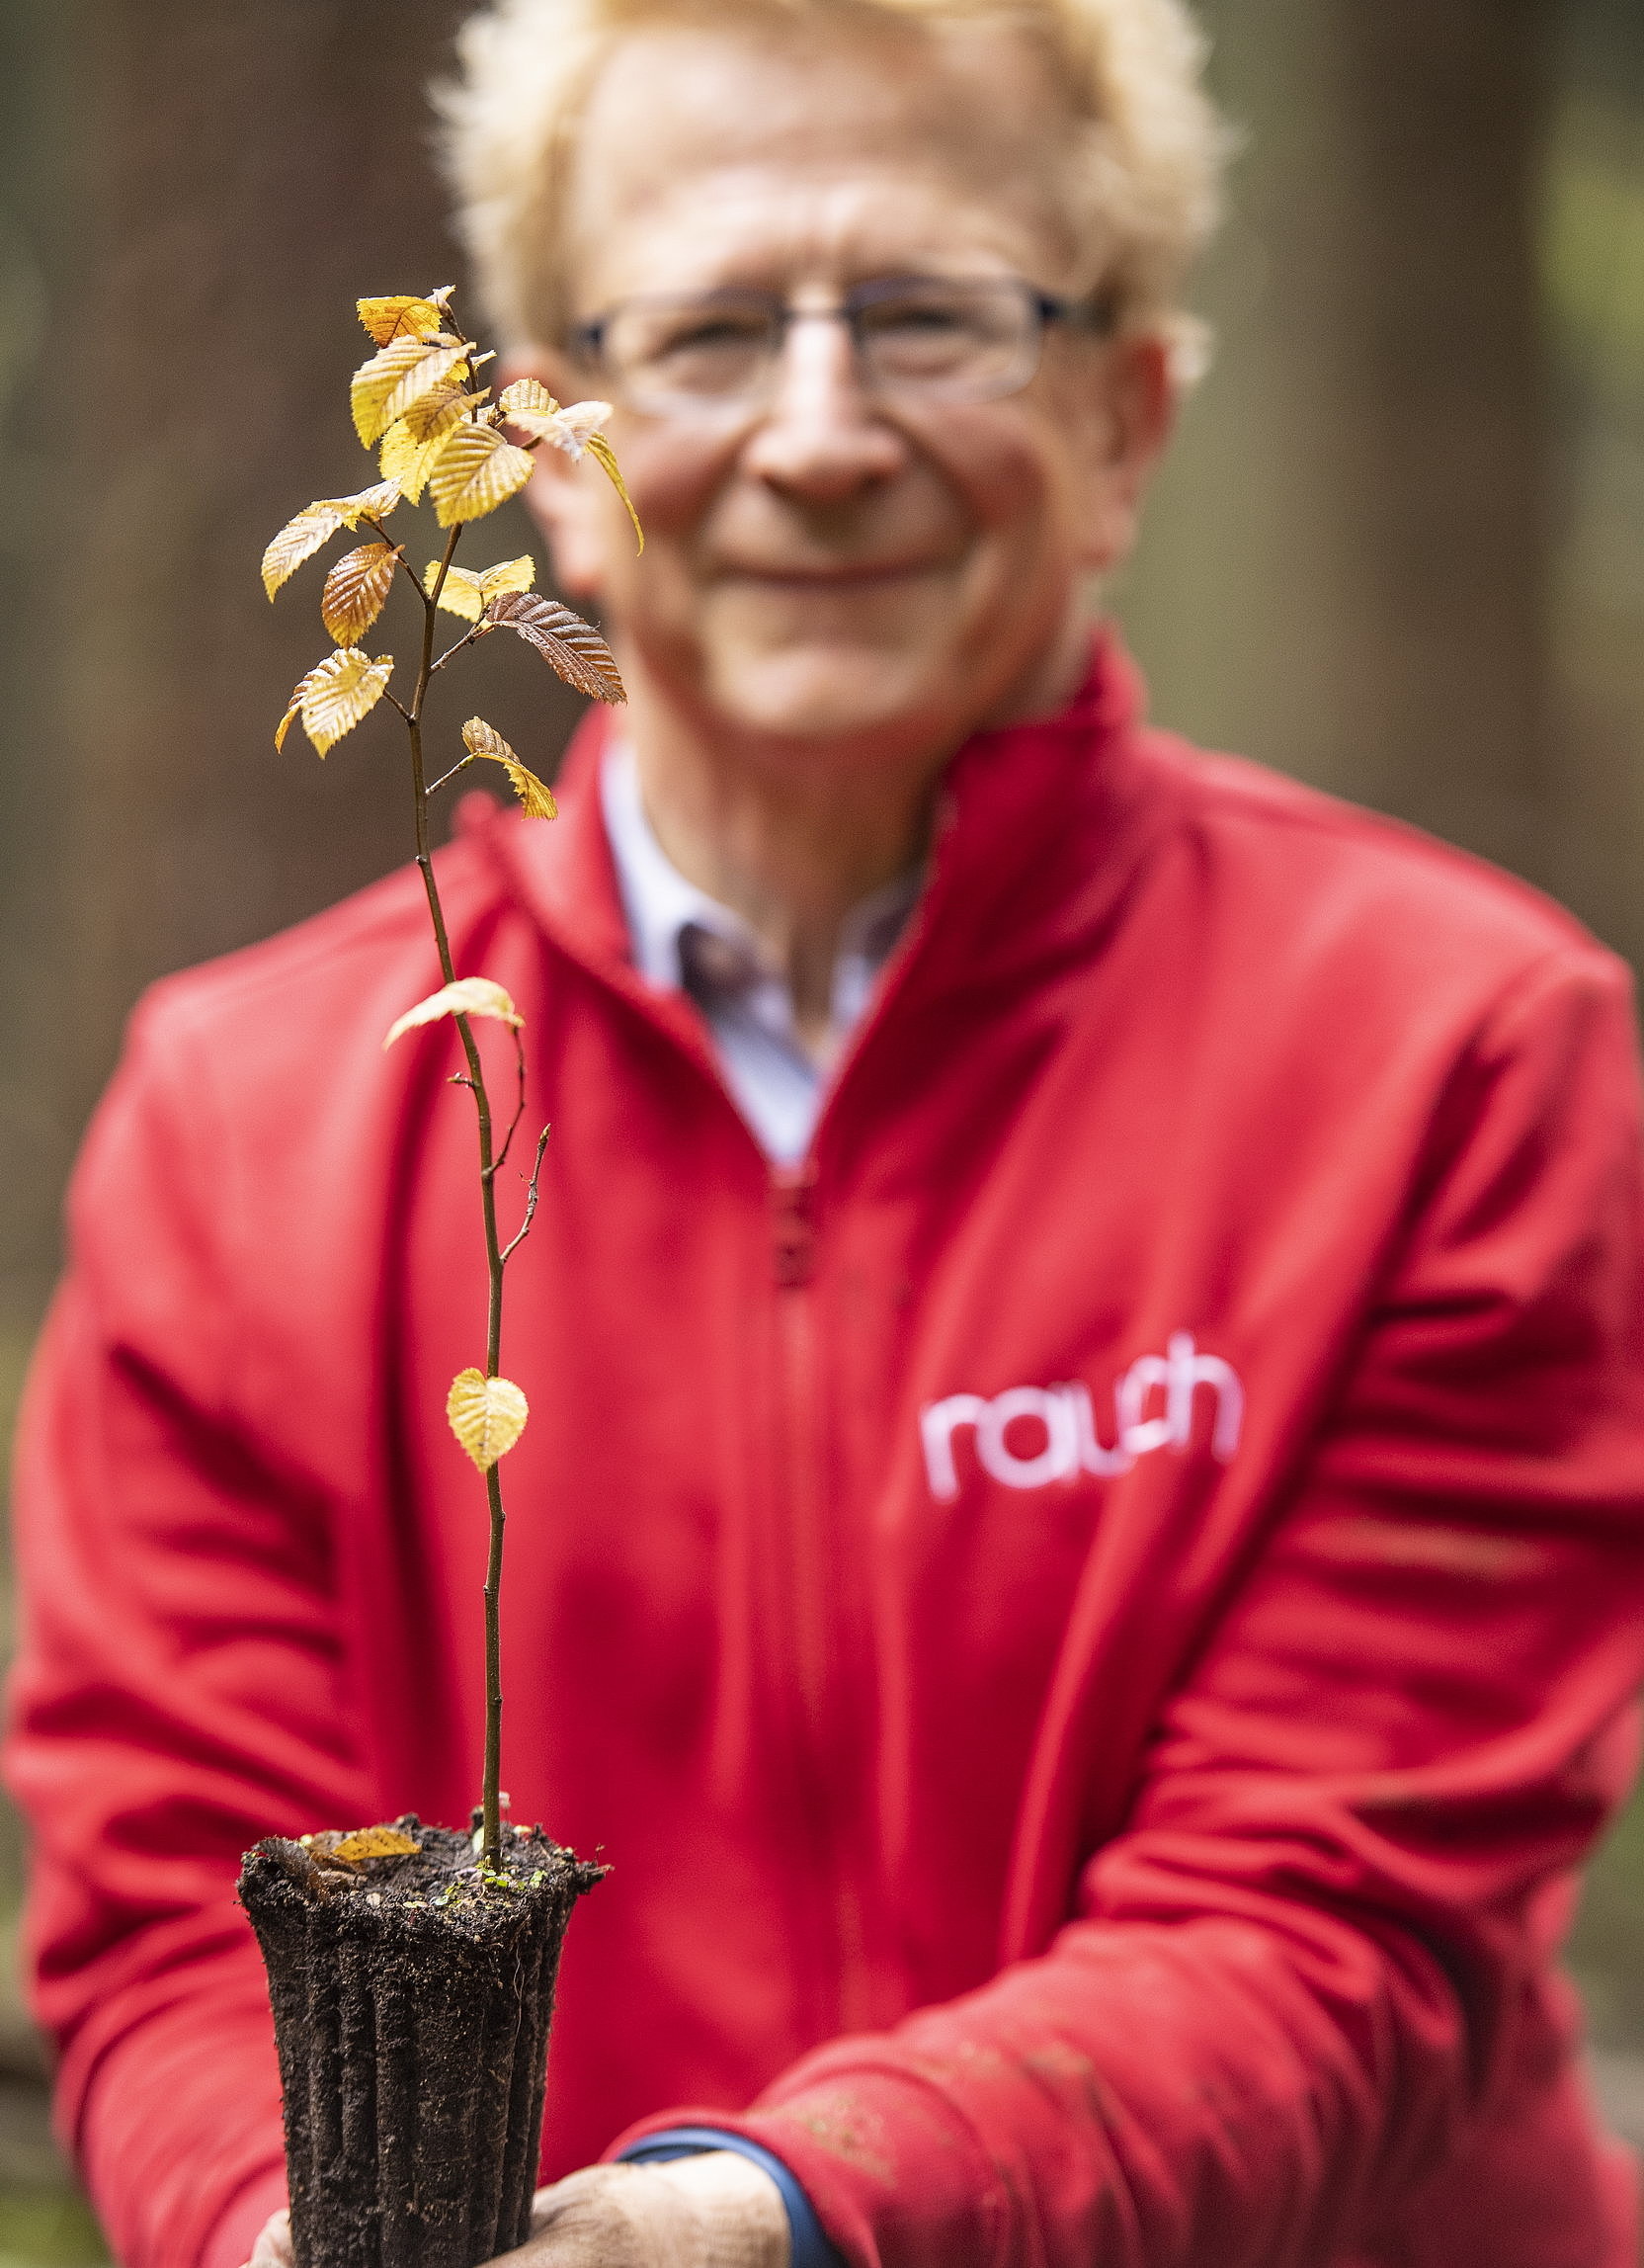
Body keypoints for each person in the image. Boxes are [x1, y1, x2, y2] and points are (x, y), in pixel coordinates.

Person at [8, 1, 1644, 2264]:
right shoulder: (241, 1123)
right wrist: (287, 2229)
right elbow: (173, 1902)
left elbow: (1339, 1914)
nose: (817, 432)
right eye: (701, 331)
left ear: (1120, 414)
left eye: (929, 316)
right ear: (544, 444)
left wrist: (776, 2215)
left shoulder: (1451, 1054)